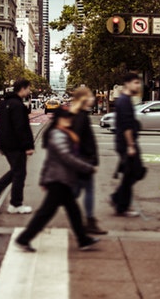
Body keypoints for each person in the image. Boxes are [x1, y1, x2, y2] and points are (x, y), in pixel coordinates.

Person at [15, 106, 99, 252]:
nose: (69, 120)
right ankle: (24, 238)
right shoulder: (59, 135)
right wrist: (88, 167)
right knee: (46, 213)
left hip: (60, 179)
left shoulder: (63, 133)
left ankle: (83, 239)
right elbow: (67, 157)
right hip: (58, 180)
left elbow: (49, 161)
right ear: (59, 120)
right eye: (66, 117)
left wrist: (43, 179)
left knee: (73, 211)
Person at [0, 78, 35, 214]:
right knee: (20, 173)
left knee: (16, 171)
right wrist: (28, 145)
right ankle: (15, 203)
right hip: (16, 145)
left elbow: (2, 126)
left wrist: (1, 144)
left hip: (6, 143)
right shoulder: (18, 106)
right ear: (22, 89)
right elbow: (21, 127)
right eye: (28, 88)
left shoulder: (4, 103)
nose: (29, 91)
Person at [70, 86, 106, 235]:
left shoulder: (81, 115)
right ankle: (89, 221)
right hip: (84, 162)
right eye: (91, 95)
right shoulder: (81, 116)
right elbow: (77, 140)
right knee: (83, 191)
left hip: (83, 161)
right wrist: (88, 160)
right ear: (84, 99)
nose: (93, 97)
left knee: (76, 192)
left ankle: (89, 220)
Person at [111, 72, 143, 217]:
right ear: (128, 83)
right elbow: (126, 126)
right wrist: (130, 145)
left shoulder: (126, 100)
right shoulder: (124, 101)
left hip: (125, 143)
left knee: (132, 173)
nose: (138, 85)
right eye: (136, 83)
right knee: (133, 173)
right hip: (126, 144)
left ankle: (118, 199)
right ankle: (121, 204)